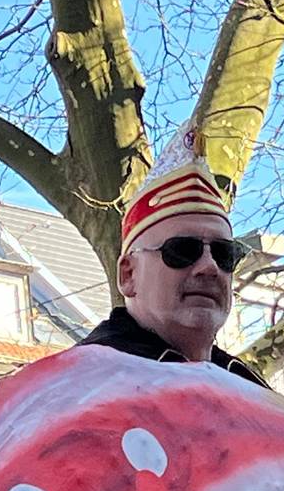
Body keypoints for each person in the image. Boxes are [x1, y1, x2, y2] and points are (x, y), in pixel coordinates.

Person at [76, 128, 267, 385]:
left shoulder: (252, 390)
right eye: (183, 250)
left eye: (225, 254)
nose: (210, 267)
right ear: (128, 274)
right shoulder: (80, 383)